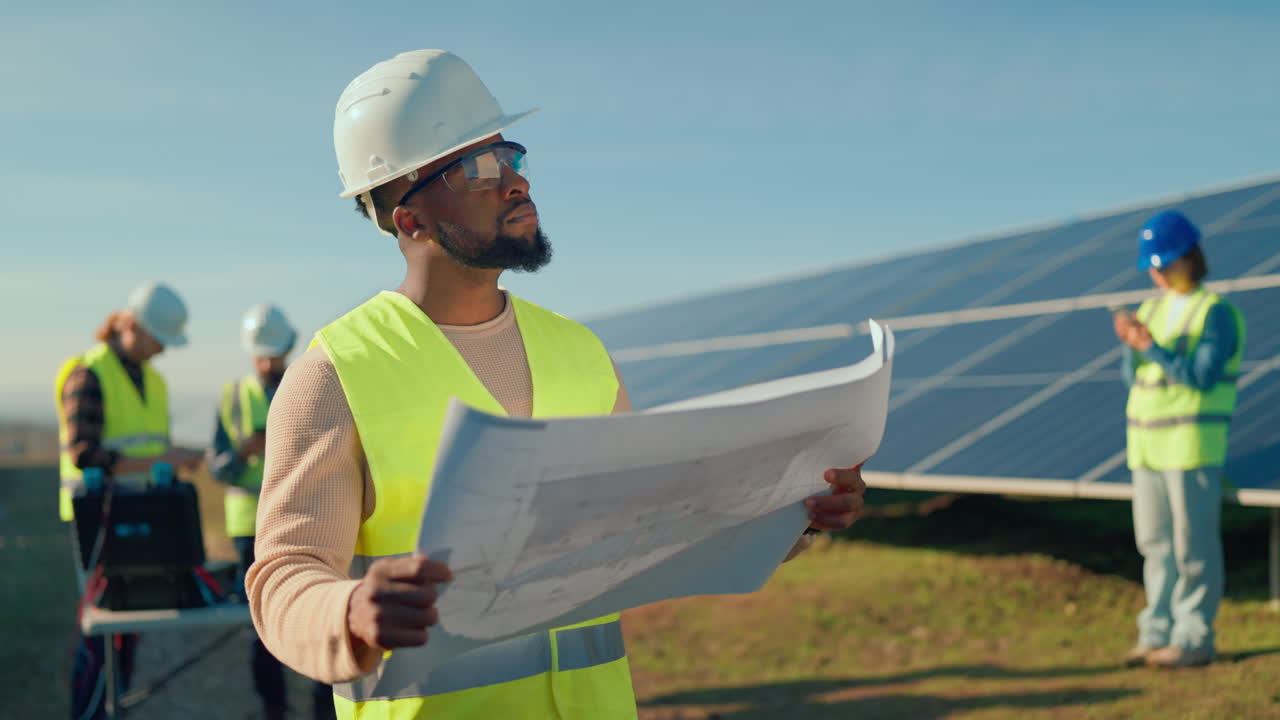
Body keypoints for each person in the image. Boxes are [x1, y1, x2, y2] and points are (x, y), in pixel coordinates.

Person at [247, 49, 867, 720]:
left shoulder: (580, 354)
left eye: (511, 156)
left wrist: (790, 515)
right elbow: (283, 580)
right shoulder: (336, 375)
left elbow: (654, 531)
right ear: (412, 220)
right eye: (479, 168)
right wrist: (351, 611)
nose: (514, 182)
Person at [54, 281, 204, 719]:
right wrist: (164, 458)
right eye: (159, 339)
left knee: (130, 630)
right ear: (132, 326)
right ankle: (88, 713)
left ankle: (112, 710)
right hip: (99, 527)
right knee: (102, 632)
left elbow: (148, 446)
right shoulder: (89, 374)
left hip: (146, 522)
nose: (162, 350)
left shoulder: (154, 381)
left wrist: (171, 461)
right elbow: (84, 452)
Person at [1112, 209, 1246, 668]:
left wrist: (1149, 345)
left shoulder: (1216, 314)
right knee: (1155, 545)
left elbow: (1202, 377)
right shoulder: (1150, 309)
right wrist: (1134, 344)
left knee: (1193, 548)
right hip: (1146, 449)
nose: (1156, 271)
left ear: (1188, 258)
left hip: (1191, 449)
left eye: (1163, 262)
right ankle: (1156, 632)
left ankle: (1193, 638)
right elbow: (1135, 380)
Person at [209, 304, 335, 720]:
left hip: (308, 517)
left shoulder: (309, 384)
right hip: (249, 527)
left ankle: (323, 707)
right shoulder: (232, 398)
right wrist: (245, 450)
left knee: (318, 614)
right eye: (261, 356)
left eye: (273, 355)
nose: (267, 364)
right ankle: (274, 709)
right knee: (262, 627)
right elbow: (218, 467)